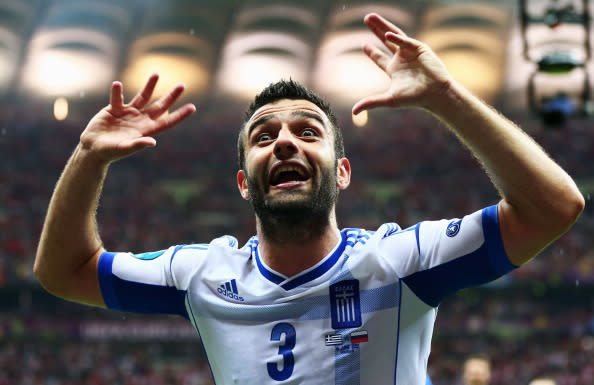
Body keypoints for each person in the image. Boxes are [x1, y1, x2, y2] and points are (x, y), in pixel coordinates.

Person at [33, 12, 584, 385]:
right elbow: (65, 271)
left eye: (308, 131)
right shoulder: (202, 274)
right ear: (245, 182)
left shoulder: (395, 264)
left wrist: (448, 99)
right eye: (265, 135)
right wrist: (88, 155)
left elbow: (554, 207)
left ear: (342, 173)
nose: (286, 141)